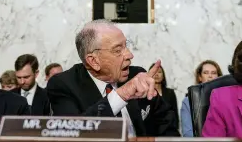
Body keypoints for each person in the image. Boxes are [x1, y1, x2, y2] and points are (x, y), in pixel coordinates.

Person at [47, 20, 180, 137]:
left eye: (126, 46)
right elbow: (74, 131)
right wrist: (122, 94)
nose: (129, 55)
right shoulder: (63, 84)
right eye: (117, 50)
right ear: (94, 61)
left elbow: (167, 124)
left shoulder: (137, 75)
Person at [181, 60, 223, 137]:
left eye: (214, 73)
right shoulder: (188, 101)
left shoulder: (226, 99)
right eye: (206, 73)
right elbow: (188, 133)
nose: (210, 76)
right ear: (200, 77)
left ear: (219, 77)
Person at [149, 63, 179, 128]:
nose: (156, 74)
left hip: (169, 130)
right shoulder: (145, 93)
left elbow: (175, 115)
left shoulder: (170, 92)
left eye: (159, 72)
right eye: (154, 72)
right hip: (151, 130)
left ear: (163, 76)